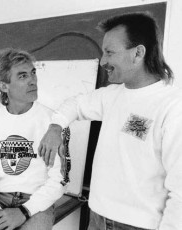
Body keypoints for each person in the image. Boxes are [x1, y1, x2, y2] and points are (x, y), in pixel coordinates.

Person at [38, 12, 182, 230]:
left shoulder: (172, 106)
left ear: (138, 53)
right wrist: (56, 127)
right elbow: (75, 104)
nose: (103, 61)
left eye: (109, 53)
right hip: (96, 218)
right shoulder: (111, 95)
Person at [0, 48, 69, 230]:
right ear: (3, 86)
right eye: (23, 76)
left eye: (33, 73)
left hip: (36, 202)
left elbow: (61, 178)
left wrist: (25, 211)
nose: (32, 80)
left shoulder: (54, 123)